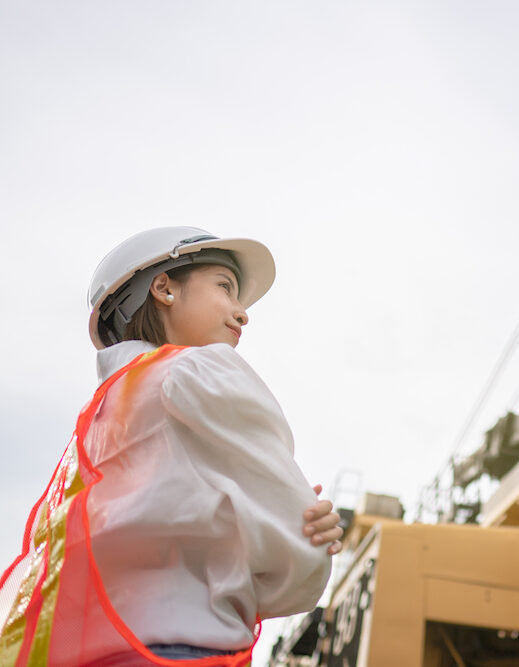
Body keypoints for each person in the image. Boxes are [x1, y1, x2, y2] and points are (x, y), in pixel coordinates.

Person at [0, 227, 343, 666]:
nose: (242, 314)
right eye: (226, 287)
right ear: (164, 287)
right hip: (181, 651)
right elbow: (295, 563)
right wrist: (304, 530)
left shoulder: (99, 421)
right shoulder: (201, 372)